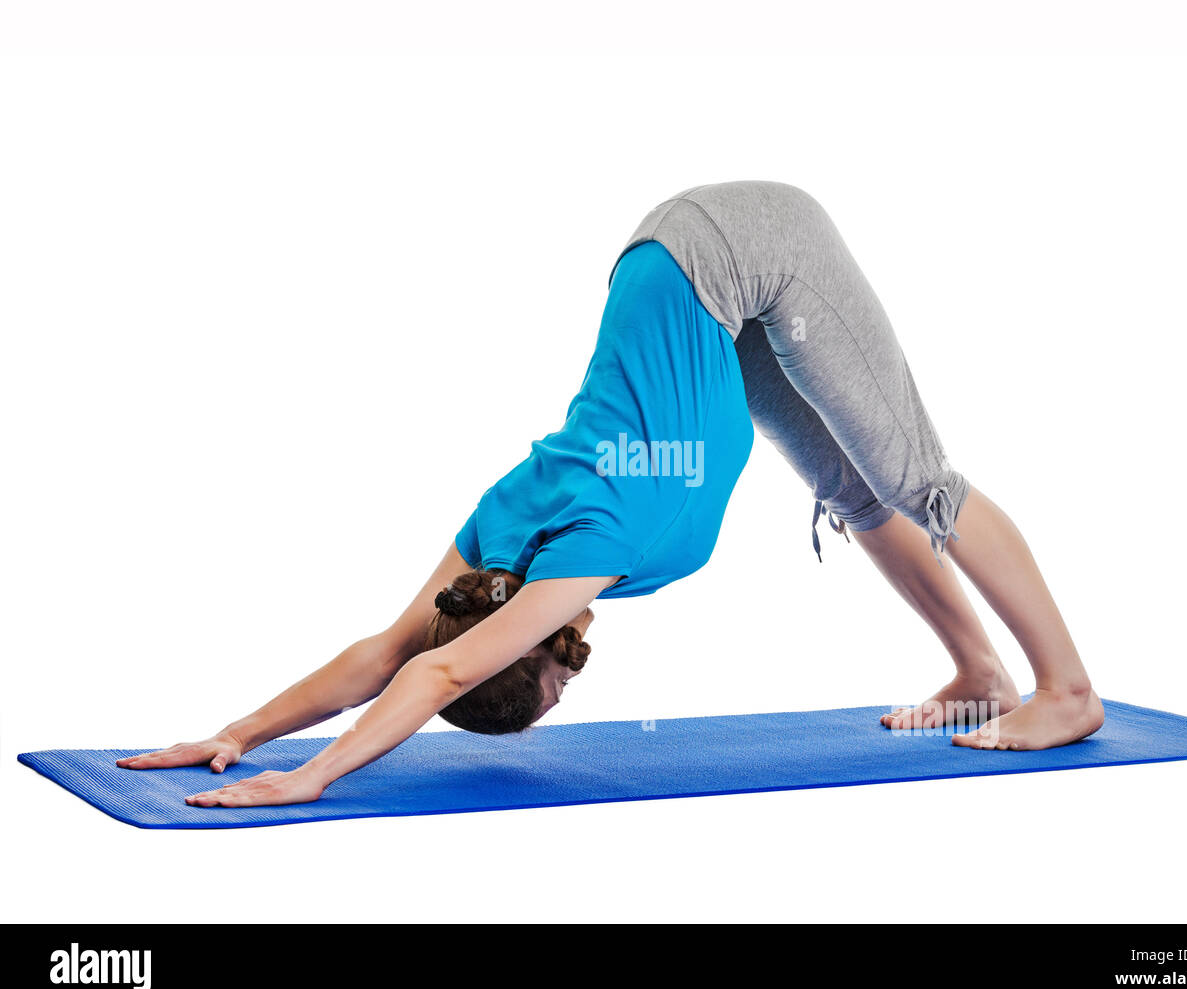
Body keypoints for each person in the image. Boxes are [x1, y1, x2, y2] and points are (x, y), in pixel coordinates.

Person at [119, 181, 1103, 808]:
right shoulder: (498, 543)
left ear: (539, 654)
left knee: (918, 478)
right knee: (858, 486)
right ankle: (979, 669)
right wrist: (236, 732)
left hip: (741, 246)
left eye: (555, 688)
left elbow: (434, 675)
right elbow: (391, 653)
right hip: (678, 270)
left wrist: (307, 776)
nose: (570, 683)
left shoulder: (592, 539)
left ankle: (1065, 688)